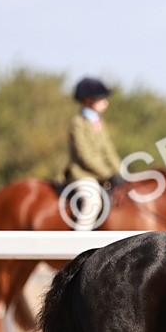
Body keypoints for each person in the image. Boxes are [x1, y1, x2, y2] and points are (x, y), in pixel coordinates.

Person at [63, 77, 121, 229]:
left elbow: (109, 151)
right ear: (89, 100)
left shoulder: (98, 122)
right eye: (102, 99)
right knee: (93, 202)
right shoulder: (78, 123)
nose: (106, 102)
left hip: (103, 175)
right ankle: (78, 242)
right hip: (83, 175)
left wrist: (120, 172)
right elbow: (85, 156)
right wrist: (108, 174)